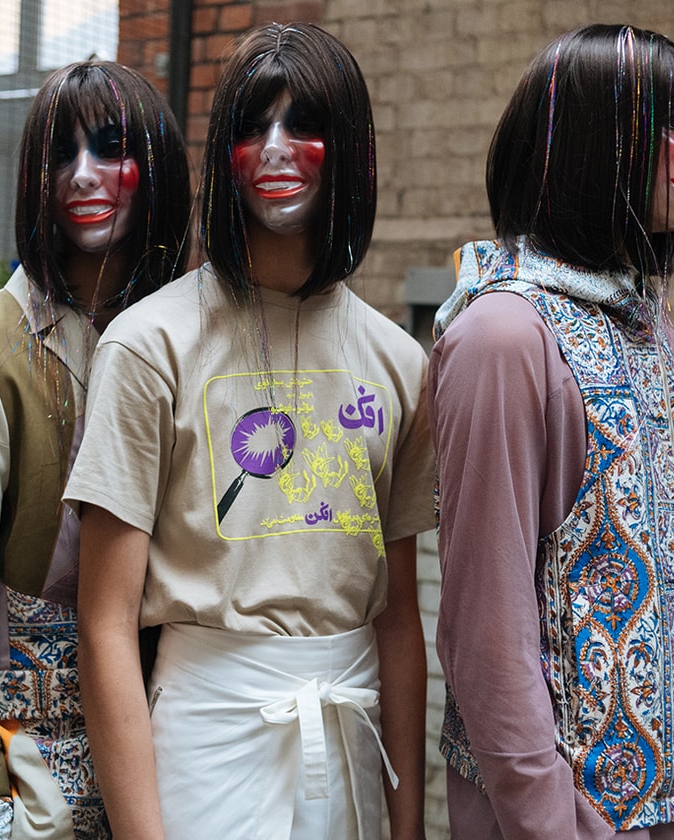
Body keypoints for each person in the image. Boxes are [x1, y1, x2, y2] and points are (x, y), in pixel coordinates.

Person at [68, 23, 435, 840]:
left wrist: (407, 824)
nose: (274, 149)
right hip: (205, 741)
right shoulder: (148, 343)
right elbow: (105, 622)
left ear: (347, 152)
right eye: (251, 128)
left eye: (301, 125)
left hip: (351, 739)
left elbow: (400, 618)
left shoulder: (402, 364)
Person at [0, 60, 190, 839]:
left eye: (111, 146)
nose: (83, 173)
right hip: (37, 798)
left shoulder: (183, 343)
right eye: (60, 153)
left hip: (185, 771)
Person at [430, 24, 674, 839]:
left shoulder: (657, 337)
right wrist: (550, 820)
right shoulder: (505, 336)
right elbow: (483, 629)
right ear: (603, 144)